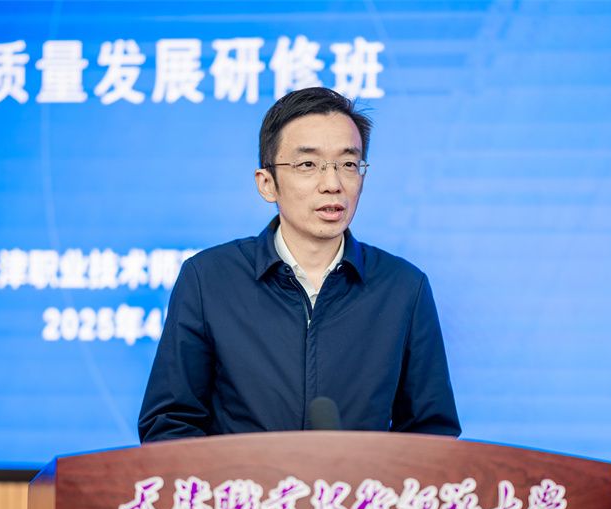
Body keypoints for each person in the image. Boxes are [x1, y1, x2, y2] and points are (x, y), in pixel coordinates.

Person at [138, 87, 460, 442]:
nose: (332, 184)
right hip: (242, 481)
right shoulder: (209, 279)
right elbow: (169, 424)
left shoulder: (403, 288)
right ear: (267, 183)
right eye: (308, 165)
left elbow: (431, 434)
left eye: (348, 164)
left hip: (359, 482)